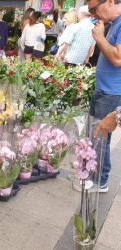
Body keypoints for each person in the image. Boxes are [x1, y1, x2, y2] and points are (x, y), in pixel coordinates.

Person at [84, 0, 121, 193]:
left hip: (112, 93)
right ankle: (92, 175)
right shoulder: (114, 24)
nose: (93, 14)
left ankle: (101, 181)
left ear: (109, 1)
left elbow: (117, 58)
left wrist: (100, 38)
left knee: (101, 137)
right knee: (94, 134)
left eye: (94, 9)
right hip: (103, 90)